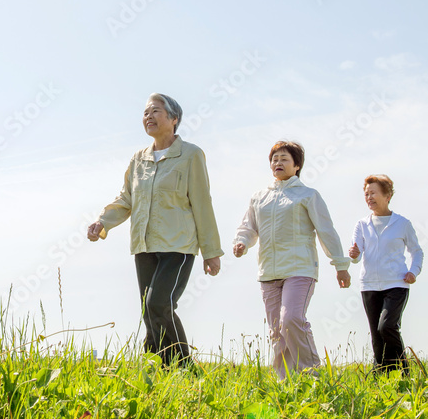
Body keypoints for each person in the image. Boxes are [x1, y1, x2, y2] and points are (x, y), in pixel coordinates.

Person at [87, 93, 223, 367]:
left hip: (178, 246)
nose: (148, 116)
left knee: (158, 304)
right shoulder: (138, 159)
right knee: (150, 313)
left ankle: (185, 370)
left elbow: (201, 202)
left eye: (156, 111)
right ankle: (158, 369)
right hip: (144, 246)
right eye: (146, 112)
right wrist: (103, 222)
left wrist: (211, 252)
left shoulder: (191, 155)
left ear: (174, 119)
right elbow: (126, 199)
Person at [232, 141, 351, 379]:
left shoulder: (308, 195)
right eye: (274, 159)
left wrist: (340, 265)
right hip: (268, 271)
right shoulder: (260, 197)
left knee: (292, 319)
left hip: (300, 268)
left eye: (284, 159)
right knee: (277, 330)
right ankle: (284, 381)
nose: (278, 163)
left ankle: (312, 374)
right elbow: (249, 226)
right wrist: (242, 242)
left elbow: (326, 230)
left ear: (297, 166)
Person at [348, 174, 424, 374]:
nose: (369, 197)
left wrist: (413, 272)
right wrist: (354, 254)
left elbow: (417, 251)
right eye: (366, 194)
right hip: (369, 285)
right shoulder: (362, 224)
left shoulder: (402, 223)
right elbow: (356, 256)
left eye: (373, 193)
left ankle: (403, 370)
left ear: (387, 195)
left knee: (387, 326)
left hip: (396, 284)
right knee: (376, 335)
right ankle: (382, 375)